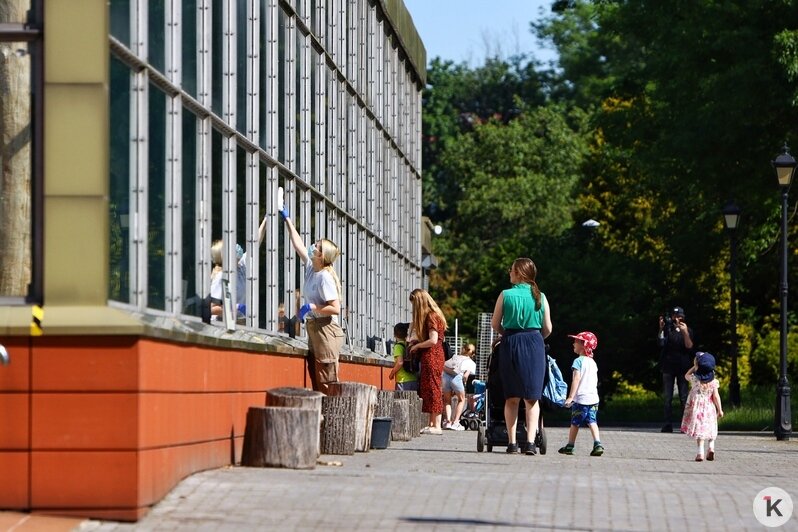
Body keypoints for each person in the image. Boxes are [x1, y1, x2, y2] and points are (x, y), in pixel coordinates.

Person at [280, 206, 345, 393]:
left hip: (326, 329)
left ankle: (333, 419)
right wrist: (288, 219)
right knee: (317, 378)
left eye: (316, 246)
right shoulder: (311, 268)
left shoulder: (324, 276)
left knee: (327, 379)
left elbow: (335, 308)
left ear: (321, 256)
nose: (313, 246)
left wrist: (310, 306)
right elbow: (298, 244)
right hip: (315, 327)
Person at [491, 257, 552, 455]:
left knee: (511, 397)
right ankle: (531, 442)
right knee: (532, 398)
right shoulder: (540, 297)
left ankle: (511, 442)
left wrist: (506, 334)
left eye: (511, 270)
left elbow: (495, 323)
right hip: (535, 343)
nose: (509, 273)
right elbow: (548, 328)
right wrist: (536, 339)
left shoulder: (505, 295)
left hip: (510, 342)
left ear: (519, 273)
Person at [209, 215, 268, 323]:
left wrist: (266, 219)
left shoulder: (241, 266)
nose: (237, 248)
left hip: (239, 322)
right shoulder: (222, 277)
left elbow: (255, 244)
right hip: (222, 325)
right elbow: (211, 309)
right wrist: (235, 308)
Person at [408, 288, 447, 435]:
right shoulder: (434, 315)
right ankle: (432, 422)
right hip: (432, 355)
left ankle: (437, 424)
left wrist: (417, 345)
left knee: (433, 388)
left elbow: (433, 340)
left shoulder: (431, 316)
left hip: (433, 355)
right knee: (429, 387)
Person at [558, 331, 604, 457]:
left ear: (583, 346)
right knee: (592, 421)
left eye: (576, 341)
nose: (573, 343)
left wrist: (571, 397)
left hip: (581, 400)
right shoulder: (593, 363)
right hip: (593, 398)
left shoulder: (578, 361)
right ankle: (597, 443)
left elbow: (576, 379)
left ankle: (570, 445)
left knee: (575, 423)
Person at [681, 352, 724, 461]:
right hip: (710, 408)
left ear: (698, 367)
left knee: (700, 430)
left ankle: (700, 452)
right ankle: (711, 448)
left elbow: (686, 375)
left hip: (698, 410)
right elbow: (716, 396)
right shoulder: (714, 382)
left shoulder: (695, 379)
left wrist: (694, 367)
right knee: (711, 428)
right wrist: (720, 410)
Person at [658, 306, 695, 432]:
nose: (677, 319)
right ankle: (667, 424)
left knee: (684, 397)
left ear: (683, 317)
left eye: (679, 316)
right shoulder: (668, 330)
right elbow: (661, 343)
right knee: (667, 398)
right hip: (668, 367)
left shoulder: (688, 330)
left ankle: (685, 425)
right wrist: (662, 328)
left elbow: (689, 346)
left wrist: (684, 331)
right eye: (674, 316)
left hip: (683, 367)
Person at [442, 343, 477, 431]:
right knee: (461, 399)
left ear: (463, 349)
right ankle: (456, 422)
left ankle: (448, 422)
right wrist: (463, 384)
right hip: (457, 378)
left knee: (447, 401)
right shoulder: (470, 362)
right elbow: (465, 376)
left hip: (445, 376)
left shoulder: (455, 357)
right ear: (473, 354)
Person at [388, 322, 418, 391]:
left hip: (403, 380)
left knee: (401, 399)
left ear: (394, 335)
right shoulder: (409, 345)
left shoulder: (398, 346)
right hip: (413, 378)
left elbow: (400, 362)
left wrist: (392, 373)